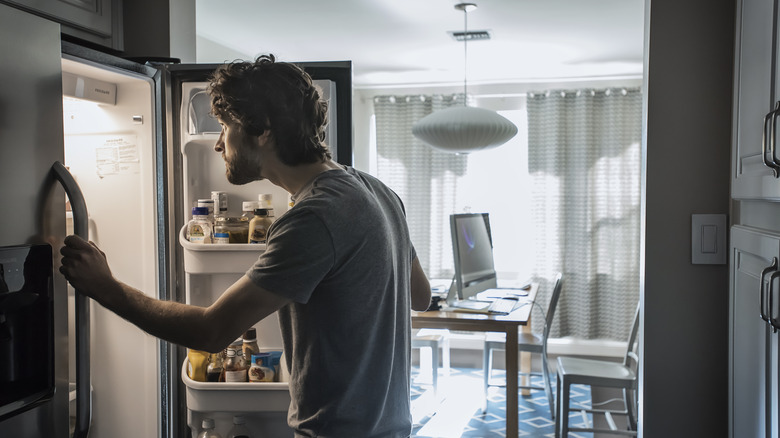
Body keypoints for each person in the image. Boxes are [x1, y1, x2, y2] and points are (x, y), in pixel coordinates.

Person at [59, 54, 432, 438]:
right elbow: (420, 296)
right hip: (392, 427)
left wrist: (106, 287)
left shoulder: (313, 218)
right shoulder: (378, 191)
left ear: (262, 130)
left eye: (225, 127)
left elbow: (212, 331)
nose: (219, 144)